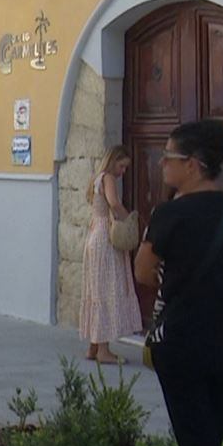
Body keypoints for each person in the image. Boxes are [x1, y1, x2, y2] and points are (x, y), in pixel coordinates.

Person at [135, 120, 223, 446]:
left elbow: (143, 272)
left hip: (184, 343)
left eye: (169, 157)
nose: (162, 164)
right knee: (208, 443)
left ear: (192, 165)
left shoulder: (169, 215)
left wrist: (173, 279)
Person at [80, 145, 142, 364]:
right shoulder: (108, 178)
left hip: (94, 236)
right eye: (122, 166)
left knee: (97, 289)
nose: (123, 171)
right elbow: (114, 204)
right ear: (113, 160)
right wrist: (130, 219)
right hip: (106, 239)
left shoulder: (97, 178)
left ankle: (94, 347)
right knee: (107, 289)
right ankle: (104, 351)